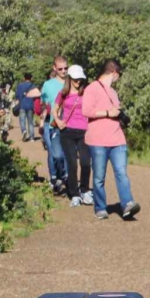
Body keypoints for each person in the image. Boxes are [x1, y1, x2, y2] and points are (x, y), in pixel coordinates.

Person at [83, 59, 139, 221]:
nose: (118, 78)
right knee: (99, 176)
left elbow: (115, 112)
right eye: (119, 75)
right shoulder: (91, 88)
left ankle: (127, 204)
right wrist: (108, 113)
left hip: (117, 138)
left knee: (121, 172)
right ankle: (100, 208)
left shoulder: (113, 92)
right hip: (98, 140)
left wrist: (120, 116)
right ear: (114, 72)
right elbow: (86, 111)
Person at [55, 65, 93, 207]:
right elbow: (55, 109)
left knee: (85, 162)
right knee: (72, 164)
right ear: (70, 79)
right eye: (76, 79)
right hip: (67, 131)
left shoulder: (86, 93)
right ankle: (74, 194)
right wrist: (59, 122)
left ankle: (84, 190)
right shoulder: (63, 93)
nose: (78, 82)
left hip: (84, 131)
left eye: (80, 79)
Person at [40, 57, 68, 192]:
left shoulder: (72, 83)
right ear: (54, 68)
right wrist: (42, 123)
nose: (63, 71)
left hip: (69, 125)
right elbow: (45, 106)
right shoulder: (48, 85)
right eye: (60, 68)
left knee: (66, 154)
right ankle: (54, 177)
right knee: (53, 153)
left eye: (65, 68)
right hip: (52, 124)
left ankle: (65, 177)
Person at [13, 73, 37, 141]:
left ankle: (24, 130)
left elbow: (17, 96)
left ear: (24, 78)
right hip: (30, 105)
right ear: (31, 78)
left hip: (22, 105)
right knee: (30, 122)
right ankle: (32, 137)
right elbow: (36, 97)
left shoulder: (20, 86)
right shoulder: (33, 86)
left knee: (22, 121)